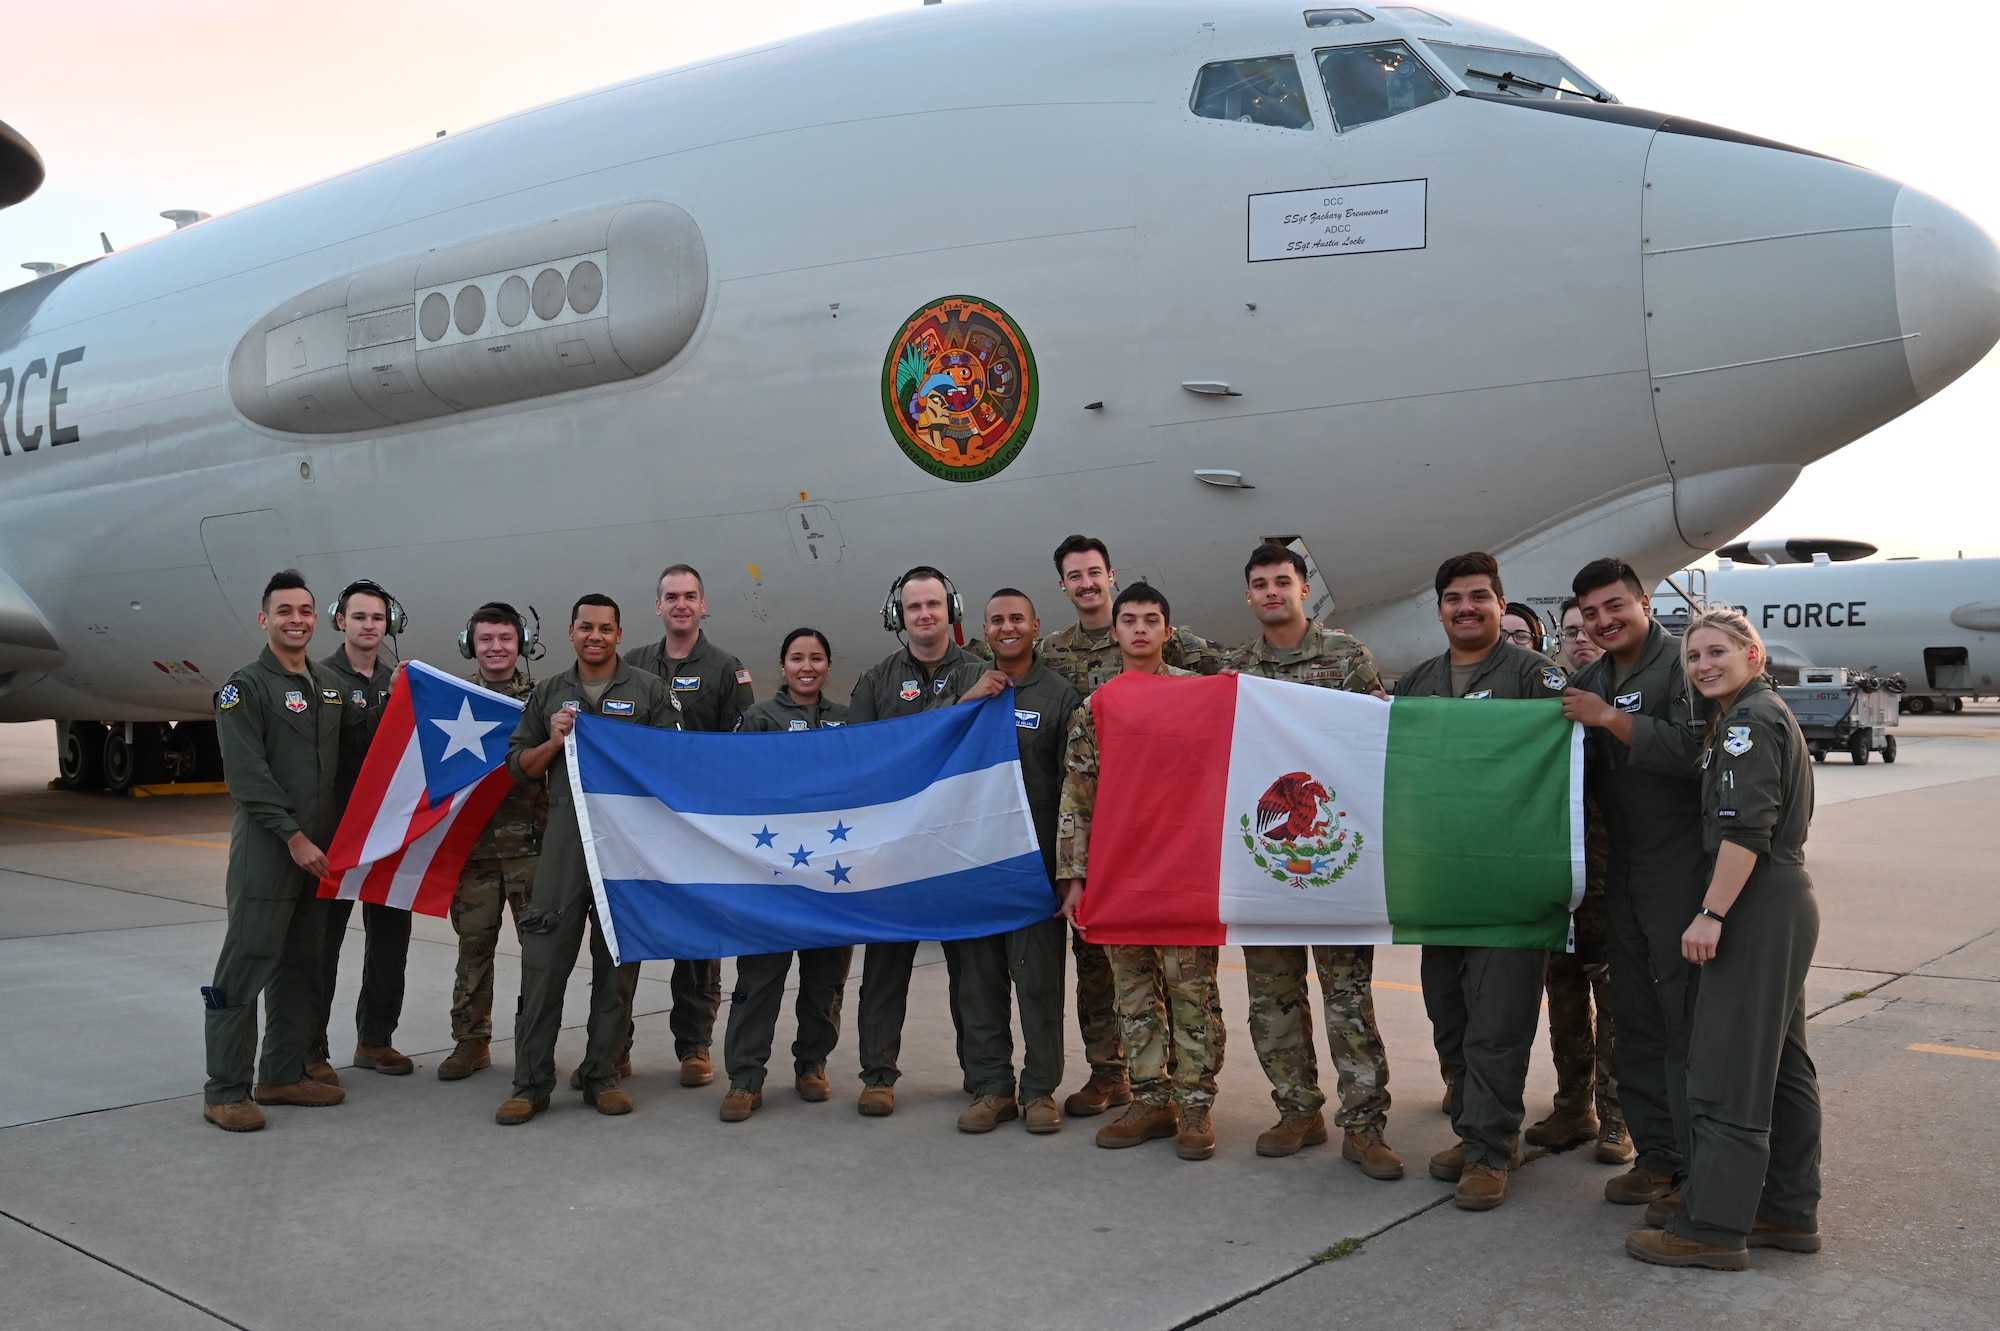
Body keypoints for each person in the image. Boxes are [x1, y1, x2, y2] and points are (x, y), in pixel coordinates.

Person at [1627, 607, 1822, 1269]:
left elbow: (1746, 831)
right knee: (1783, 1065)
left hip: (1754, 900)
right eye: (1694, 655)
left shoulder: (1746, 723)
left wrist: (1710, 912)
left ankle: (1714, 1223)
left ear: (1753, 655)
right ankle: (1785, 1208)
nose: (1703, 664)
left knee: (1729, 1070)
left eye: (1717, 652)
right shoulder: (1756, 713)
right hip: (1778, 897)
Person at [1222, 543, 1404, 1181]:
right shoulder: (1236, 669)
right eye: (1260, 584)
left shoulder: (1346, 656)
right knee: (1273, 999)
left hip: (1334, 862)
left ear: (1304, 589)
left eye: (1283, 581)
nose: (1272, 592)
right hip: (1265, 863)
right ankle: (1297, 1110)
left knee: (1347, 999)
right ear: (1248, 595)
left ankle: (1365, 1126)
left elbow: (1375, 739)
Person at [1394, 552, 1567, 1210]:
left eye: (1479, 596)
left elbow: (1570, 766)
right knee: (1452, 1016)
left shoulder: (1535, 678)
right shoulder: (1418, 682)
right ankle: (1477, 1132)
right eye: (1453, 599)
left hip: (1511, 884)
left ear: (1501, 605)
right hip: (1441, 882)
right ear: (1439, 610)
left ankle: (1493, 1150)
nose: (1466, 607)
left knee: (1499, 1021)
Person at [1034, 535, 1227, 1118]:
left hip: (1184, 867)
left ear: (1169, 631)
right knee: (1130, 991)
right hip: (1121, 867)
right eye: (1129, 622)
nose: (1139, 630)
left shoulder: (1197, 694)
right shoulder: (1095, 706)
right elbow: (1077, 792)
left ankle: (1195, 1106)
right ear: (1114, 632)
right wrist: (1074, 875)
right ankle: (1144, 1098)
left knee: (1192, 989)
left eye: (1151, 621)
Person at [1561, 558, 1709, 1210]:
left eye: (1614, 605)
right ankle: (1657, 1158)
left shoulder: (1686, 665)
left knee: (1686, 1027)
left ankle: (1700, 1170)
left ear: (1644, 601)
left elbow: (1695, 749)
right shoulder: (1590, 677)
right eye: (1591, 612)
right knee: (1636, 1026)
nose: (1603, 620)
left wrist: (1610, 718)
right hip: (1619, 874)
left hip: (1680, 870)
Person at [496, 595, 678, 1125]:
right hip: (566, 841)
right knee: (544, 960)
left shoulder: (649, 691)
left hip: (626, 844)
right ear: (571, 632)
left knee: (618, 964)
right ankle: (530, 1082)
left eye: (605, 628)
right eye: (585, 627)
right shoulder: (549, 694)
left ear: (619, 634)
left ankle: (603, 1074)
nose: (594, 636)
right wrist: (554, 740)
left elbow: (672, 762)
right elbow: (518, 767)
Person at [201, 570, 361, 1130]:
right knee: (244, 966)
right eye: (285, 610)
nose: (297, 619)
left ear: (317, 620)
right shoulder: (243, 688)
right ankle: (224, 1090)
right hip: (271, 853)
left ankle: (282, 1074)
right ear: (264, 619)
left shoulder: (327, 686)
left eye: (306, 611)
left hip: (317, 856)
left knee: (301, 967)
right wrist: (293, 837)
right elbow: (247, 777)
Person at [844, 566, 984, 1115]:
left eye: (933, 604)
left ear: (952, 608)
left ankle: (983, 1073)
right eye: (913, 607)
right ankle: (878, 1076)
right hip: (892, 854)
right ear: (897, 616)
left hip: (957, 848)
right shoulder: (877, 682)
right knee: (883, 971)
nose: (924, 615)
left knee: (973, 972)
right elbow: (857, 759)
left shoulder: (984, 671)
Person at [949, 591, 1082, 1135]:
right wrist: (969, 700)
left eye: (1017, 620)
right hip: (975, 862)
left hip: (1033, 865)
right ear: (985, 629)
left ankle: (1039, 1091)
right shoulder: (970, 688)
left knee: (1038, 985)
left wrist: (1069, 870)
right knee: (977, 983)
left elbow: (1075, 788)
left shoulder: (1058, 695)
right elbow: (933, 748)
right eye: (998, 621)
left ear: (1035, 626)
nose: (1008, 628)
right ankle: (991, 1088)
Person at [624, 564, 755, 1088]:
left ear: (704, 605)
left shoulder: (727, 670)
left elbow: (739, 747)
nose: (681, 604)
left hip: (698, 828)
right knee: (629, 928)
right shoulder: (631, 664)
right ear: (657, 606)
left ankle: (694, 1046)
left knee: (699, 942)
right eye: (671, 597)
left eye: (690, 596)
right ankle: (614, 1045)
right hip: (637, 824)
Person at [717, 628, 855, 1121]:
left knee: (825, 982)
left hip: (831, 877)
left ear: (828, 666)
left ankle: (812, 1066)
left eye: (817, 658)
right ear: (782, 666)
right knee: (759, 980)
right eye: (797, 658)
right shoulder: (759, 718)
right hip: (771, 874)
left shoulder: (847, 721)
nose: (807, 667)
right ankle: (745, 1079)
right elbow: (738, 785)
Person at [1528, 597, 1633, 1164]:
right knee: (1564, 1000)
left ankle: (1619, 1116)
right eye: (1570, 631)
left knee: (1615, 1003)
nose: (1581, 638)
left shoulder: (1617, 704)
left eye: (1588, 629)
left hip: (1610, 879)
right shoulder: (1549, 708)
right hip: (1559, 882)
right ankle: (1574, 1106)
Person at [308, 579, 413, 1080]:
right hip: (338, 834)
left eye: (377, 618)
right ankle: (310, 1049)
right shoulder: (318, 679)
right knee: (322, 944)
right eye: (359, 617)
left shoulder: (400, 681)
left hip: (388, 834)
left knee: (391, 939)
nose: (369, 626)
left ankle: (376, 1039)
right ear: (340, 620)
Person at [438, 603, 548, 1081]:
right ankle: (470, 1042)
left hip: (532, 848)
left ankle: (534, 1042)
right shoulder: (453, 701)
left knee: (540, 956)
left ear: (519, 643)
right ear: (471, 645)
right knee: (473, 950)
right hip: (475, 852)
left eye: (505, 638)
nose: (496, 648)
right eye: (486, 640)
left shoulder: (544, 700)